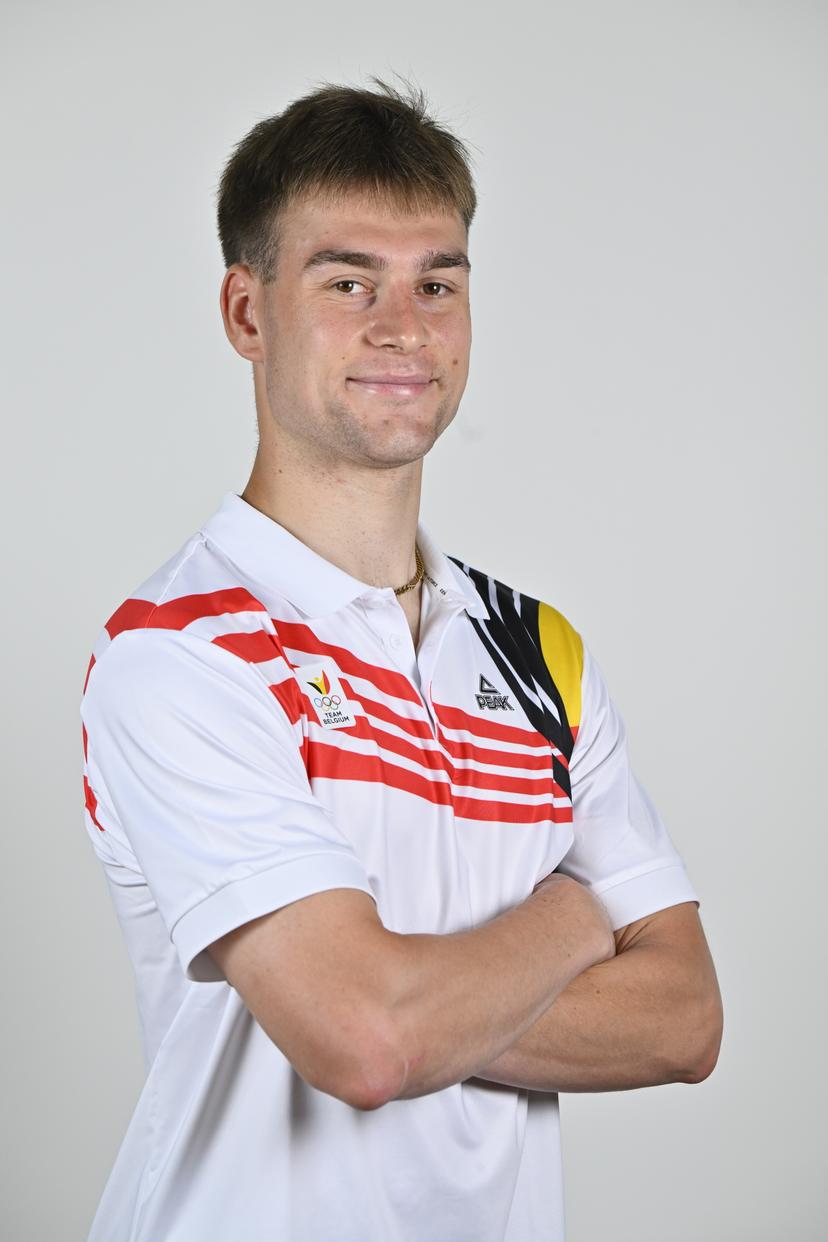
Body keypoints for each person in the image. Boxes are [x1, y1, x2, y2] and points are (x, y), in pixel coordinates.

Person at [79, 76, 723, 1242]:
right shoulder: (183, 652)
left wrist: (400, 998)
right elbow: (368, 1044)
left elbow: (685, 1021)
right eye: (346, 282)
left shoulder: (539, 653)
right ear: (246, 313)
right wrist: (582, 918)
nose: (403, 325)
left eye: (438, 281)